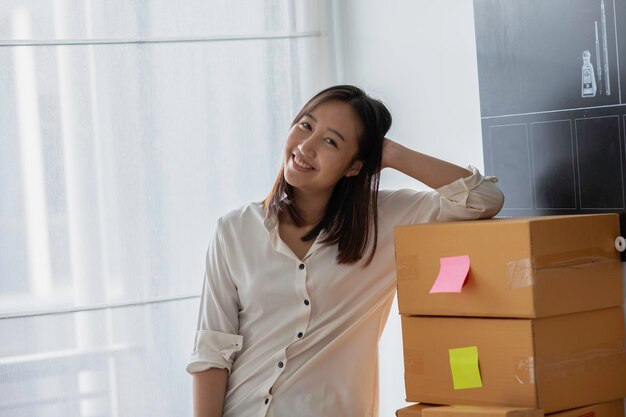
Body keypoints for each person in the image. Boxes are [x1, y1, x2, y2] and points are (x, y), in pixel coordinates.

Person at [186, 85, 504, 417]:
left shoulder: (383, 221)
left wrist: (392, 154)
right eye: (306, 125)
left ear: (355, 166)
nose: (306, 147)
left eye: (331, 141)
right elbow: (212, 351)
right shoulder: (233, 231)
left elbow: (483, 200)